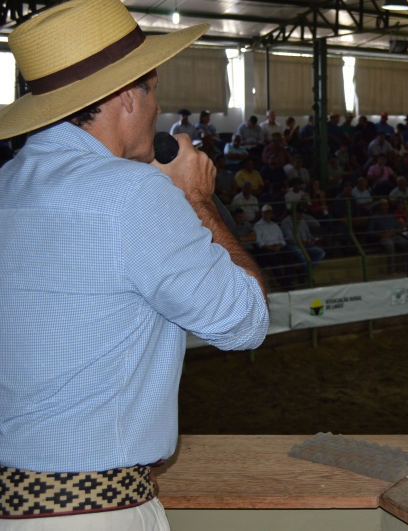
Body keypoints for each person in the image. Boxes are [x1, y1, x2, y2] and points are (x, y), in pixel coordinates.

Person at [0, 1, 268, 526]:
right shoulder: (135, 194)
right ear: (127, 95)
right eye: (154, 91)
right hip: (94, 510)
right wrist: (195, 199)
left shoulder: (7, 187)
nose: (156, 109)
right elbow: (246, 320)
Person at [254, 204, 299, 287]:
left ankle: (289, 279)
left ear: (271, 214)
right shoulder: (257, 226)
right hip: (267, 248)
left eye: (269, 213)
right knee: (272, 258)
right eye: (265, 213)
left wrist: (279, 246)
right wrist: (271, 248)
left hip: (278, 246)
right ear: (262, 213)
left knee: (289, 255)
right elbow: (259, 242)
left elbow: (282, 239)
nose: (267, 215)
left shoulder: (275, 225)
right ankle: (281, 280)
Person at [369, 198, 408, 275]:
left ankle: (404, 266)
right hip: (383, 237)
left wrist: (393, 233)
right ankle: (391, 270)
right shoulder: (375, 217)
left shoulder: (391, 215)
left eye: (387, 205)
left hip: (394, 235)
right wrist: (382, 235)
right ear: (380, 207)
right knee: (390, 245)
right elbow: (370, 231)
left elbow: (398, 228)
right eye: (383, 205)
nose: (385, 207)